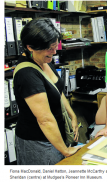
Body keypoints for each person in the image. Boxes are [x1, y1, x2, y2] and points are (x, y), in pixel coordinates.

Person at [13, 18, 80, 165]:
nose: (54, 52)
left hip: (55, 137)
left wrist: (72, 116)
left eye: (56, 47)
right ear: (30, 47)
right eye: (50, 48)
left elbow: (57, 90)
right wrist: (66, 151)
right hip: (38, 142)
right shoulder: (27, 74)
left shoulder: (43, 60)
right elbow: (45, 120)